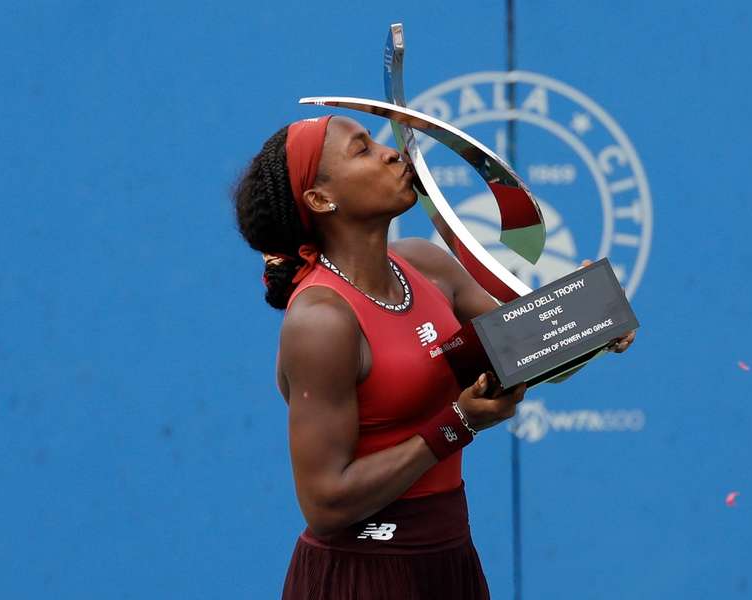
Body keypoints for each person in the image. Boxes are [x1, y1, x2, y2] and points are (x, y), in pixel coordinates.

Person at [233, 115, 636, 600]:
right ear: (321, 199)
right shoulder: (321, 320)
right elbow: (325, 504)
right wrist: (457, 423)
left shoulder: (425, 263)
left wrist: (586, 321)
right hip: (363, 574)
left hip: (449, 559)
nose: (390, 153)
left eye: (378, 141)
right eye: (362, 150)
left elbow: (525, 351)